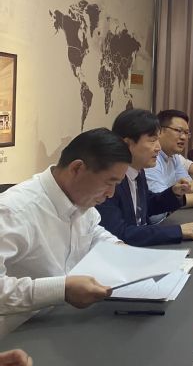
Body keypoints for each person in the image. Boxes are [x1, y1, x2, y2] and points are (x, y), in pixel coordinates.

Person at [0, 128, 131, 337]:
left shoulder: (80, 200)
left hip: (61, 321)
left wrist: (118, 248)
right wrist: (60, 289)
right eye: (109, 182)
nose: (111, 193)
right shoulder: (14, 211)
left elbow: (93, 231)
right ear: (77, 168)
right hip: (17, 334)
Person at [96, 109, 193, 246]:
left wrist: (174, 193)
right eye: (152, 141)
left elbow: (148, 204)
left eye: (158, 140)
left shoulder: (138, 171)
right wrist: (176, 231)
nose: (158, 147)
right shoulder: (110, 180)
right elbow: (119, 233)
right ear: (127, 144)